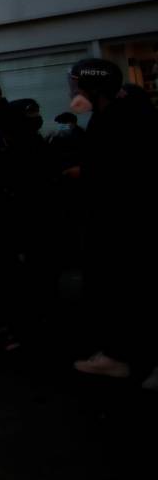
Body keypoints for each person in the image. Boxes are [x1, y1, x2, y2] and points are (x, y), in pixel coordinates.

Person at [67, 58, 157, 388]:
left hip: (121, 224)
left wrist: (84, 174)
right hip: (122, 221)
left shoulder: (117, 121)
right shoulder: (119, 115)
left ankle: (123, 356)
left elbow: (117, 173)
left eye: (78, 85)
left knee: (125, 289)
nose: (74, 92)